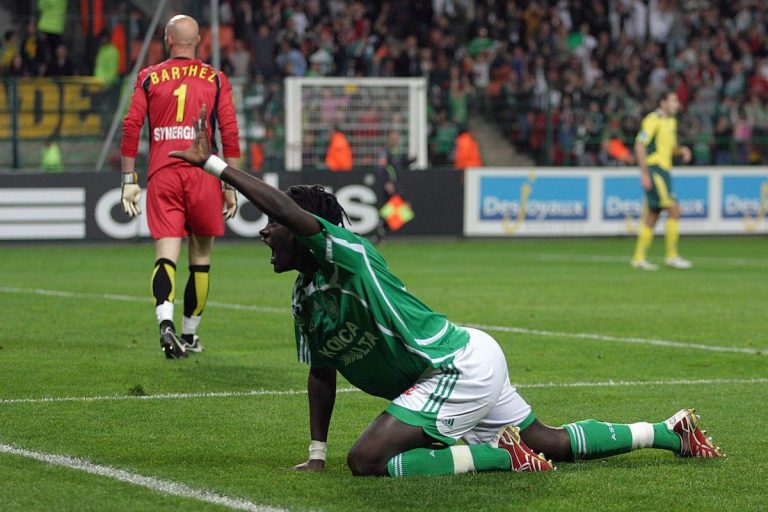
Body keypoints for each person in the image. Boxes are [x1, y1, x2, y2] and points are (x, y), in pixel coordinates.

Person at [169, 105, 723, 477]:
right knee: (549, 441)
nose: (265, 232)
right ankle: (667, 432)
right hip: (459, 360)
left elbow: (287, 211)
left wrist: (216, 165)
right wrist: (316, 453)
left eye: (273, 225)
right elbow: (321, 373)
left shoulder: (351, 259)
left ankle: (501, 455)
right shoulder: (304, 299)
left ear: (307, 231)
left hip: (454, 368)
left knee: (366, 461)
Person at [120, 15, 240, 359]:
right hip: (204, 171)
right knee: (200, 258)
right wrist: (230, 183)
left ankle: (165, 324)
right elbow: (229, 132)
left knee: (166, 254)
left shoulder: (148, 77)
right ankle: (189, 335)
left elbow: (131, 128)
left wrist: (129, 180)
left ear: (167, 40)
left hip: (163, 171)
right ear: (199, 40)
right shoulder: (216, 78)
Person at [631, 91, 693, 271]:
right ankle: (671, 256)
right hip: (655, 169)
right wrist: (644, 173)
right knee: (674, 209)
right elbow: (640, 144)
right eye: (673, 101)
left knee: (654, 213)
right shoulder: (653, 119)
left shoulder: (672, 121)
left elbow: (670, 148)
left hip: (664, 170)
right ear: (663, 102)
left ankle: (639, 258)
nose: (677, 104)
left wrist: (682, 150)